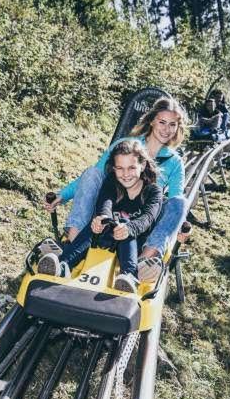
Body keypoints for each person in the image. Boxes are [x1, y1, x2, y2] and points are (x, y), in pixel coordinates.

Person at [42, 97, 188, 282]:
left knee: (180, 202)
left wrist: (178, 228)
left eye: (172, 124)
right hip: (110, 213)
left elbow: (173, 204)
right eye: (162, 122)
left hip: (142, 219)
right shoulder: (126, 145)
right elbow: (94, 177)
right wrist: (62, 195)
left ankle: (145, 260)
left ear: (177, 128)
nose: (166, 129)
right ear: (152, 121)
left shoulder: (174, 162)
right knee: (92, 172)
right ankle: (73, 241)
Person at [37, 140, 162, 293]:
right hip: (105, 236)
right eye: (120, 168)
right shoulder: (111, 181)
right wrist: (103, 218)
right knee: (102, 220)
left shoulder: (153, 191)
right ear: (114, 168)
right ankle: (63, 265)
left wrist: (129, 228)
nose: (125, 174)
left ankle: (129, 275)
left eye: (131, 168)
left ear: (142, 166)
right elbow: (105, 202)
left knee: (123, 222)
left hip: (132, 243)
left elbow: (148, 218)